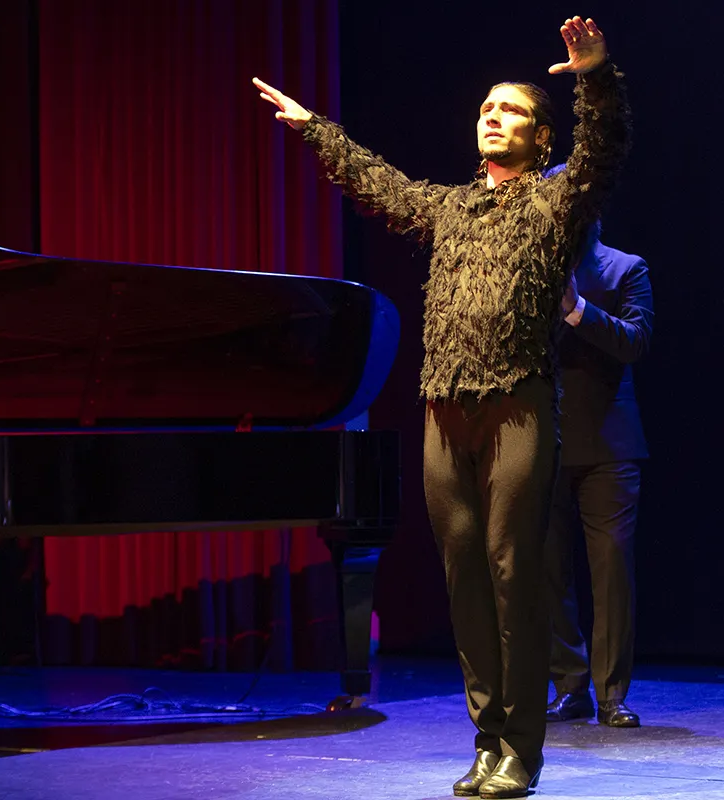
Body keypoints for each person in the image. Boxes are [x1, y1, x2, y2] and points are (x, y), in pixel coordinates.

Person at [253, 15, 630, 799]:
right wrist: (313, 127)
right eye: (487, 107)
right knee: (463, 577)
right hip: (443, 412)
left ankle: (522, 746)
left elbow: (603, 156)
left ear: (540, 138)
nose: (493, 115)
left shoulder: (554, 206)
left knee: (511, 570)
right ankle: (487, 737)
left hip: (518, 408)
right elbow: (375, 182)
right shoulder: (450, 209)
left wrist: (594, 76)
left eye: (513, 110)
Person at [541, 199, 653, 729]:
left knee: (610, 573)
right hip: (541, 442)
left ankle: (612, 695)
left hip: (609, 446)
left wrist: (578, 310)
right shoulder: (528, 267)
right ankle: (569, 686)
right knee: (546, 572)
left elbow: (635, 342)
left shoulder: (625, 268)